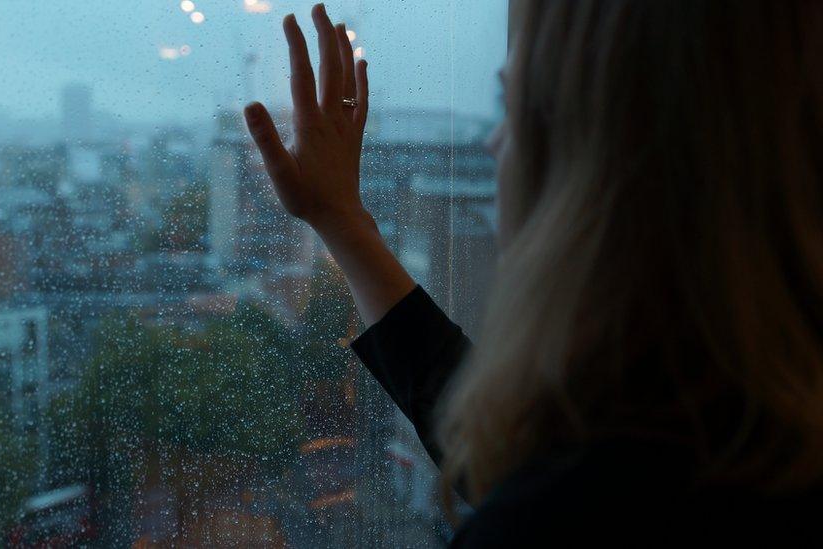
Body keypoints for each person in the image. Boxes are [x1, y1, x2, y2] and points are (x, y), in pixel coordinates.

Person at [243, 2, 823, 546]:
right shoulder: (746, 424)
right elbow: (503, 451)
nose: (493, 144)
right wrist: (344, 222)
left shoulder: (583, 503)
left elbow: (534, 477)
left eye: (514, 110)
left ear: (599, 168)